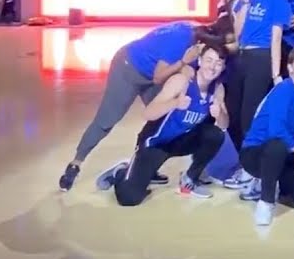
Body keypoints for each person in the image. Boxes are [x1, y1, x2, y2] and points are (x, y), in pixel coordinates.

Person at [58, 20, 201, 191]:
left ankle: (142, 166)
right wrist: (183, 63)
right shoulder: (180, 40)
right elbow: (159, 76)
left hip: (151, 72)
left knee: (161, 118)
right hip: (128, 67)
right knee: (106, 120)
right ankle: (75, 164)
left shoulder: (197, 36)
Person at [94, 42, 229, 206]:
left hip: (182, 141)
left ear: (223, 67)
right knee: (128, 198)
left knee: (215, 134)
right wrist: (175, 103)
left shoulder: (218, 88)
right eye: (209, 60)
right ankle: (122, 171)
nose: (212, 67)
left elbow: (224, 125)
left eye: (218, 63)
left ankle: (190, 179)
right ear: (199, 61)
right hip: (156, 143)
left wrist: (220, 114)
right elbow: (148, 113)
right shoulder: (181, 81)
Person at [223, 0, 291, 190]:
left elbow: (276, 39)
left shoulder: (279, 0)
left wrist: (275, 74)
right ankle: (246, 163)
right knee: (232, 114)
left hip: (261, 58)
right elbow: (237, 32)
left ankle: (250, 170)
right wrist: (242, 4)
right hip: (241, 57)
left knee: (248, 116)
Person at [237, 45, 294, 225]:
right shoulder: (283, 89)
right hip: (256, 153)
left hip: (285, 155)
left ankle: (275, 183)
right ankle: (265, 202)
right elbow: (275, 129)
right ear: (290, 67)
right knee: (277, 145)